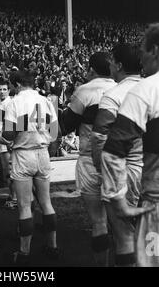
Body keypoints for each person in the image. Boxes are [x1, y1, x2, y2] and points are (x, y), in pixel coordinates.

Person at [101, 24, 159, 267]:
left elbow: (113, 152)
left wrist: (118, 199)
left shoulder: (145, 89)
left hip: (156, 207)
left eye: (143, 51)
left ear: (154, 51)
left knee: (152, 260)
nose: (141, 57)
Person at [91, 44, 142, 266]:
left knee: (124, 237)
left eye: (112, 60)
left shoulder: (113, 95)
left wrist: (101, 169)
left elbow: (99, 138)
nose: (109, 64)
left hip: (126, 170)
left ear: (119, 65)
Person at [63, 52, 116, 266]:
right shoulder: (124, 87)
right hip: (122, 159)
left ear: (92, 70)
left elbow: (66, 125)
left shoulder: (85, 90)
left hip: (90, 158)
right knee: (124, 222)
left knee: (99, 222)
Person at [2, 70, 60, 265]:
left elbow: (9, 134)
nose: (10, 87)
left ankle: (24, 251)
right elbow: (54, 133)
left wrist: (1, 137)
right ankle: (52, 247)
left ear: (17, 83)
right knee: (46, 202)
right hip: (42, 152)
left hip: (23, 153)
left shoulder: (14, 102)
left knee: (25, 206)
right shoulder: (45, 101)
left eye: (11, 84)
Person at [0, 78, 17, 209]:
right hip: (0, 140)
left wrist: (10, 140)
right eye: (0, 89)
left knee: (10, 171)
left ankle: (15, 198)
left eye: (4, 89)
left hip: (7, 140)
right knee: (5, 171)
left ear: (9, 91)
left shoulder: (10, 103)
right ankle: (11, 195)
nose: (2, 92)